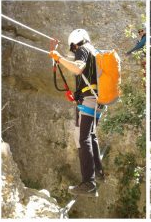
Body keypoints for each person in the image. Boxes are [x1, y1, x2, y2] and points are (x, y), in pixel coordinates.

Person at [49, 29, 105, 196]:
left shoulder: (82, 49)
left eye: (72, 48)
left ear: (75, 43)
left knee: (83, 137)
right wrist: (77, 96)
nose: (74, 52)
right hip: (97, 100)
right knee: (91, 135)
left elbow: (77, 69)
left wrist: (59, 57)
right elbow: (88, 78)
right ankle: (99, 173)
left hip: (90, 100)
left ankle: (89, 183)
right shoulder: (94, 51)